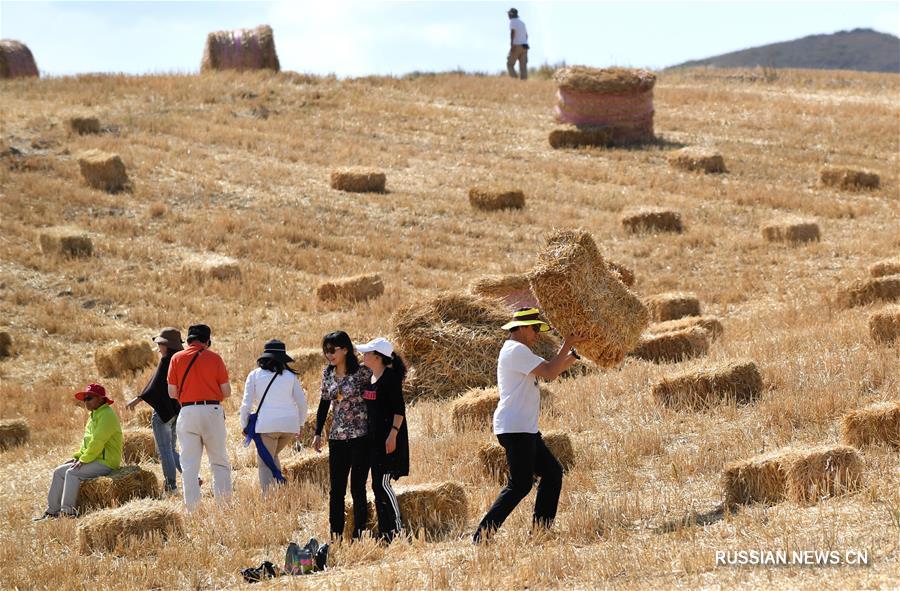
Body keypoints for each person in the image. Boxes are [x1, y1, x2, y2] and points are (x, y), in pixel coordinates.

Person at [473, 308, 586, 543]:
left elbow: (552, 372)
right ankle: (482, 535)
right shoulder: (516, 350)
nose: (537, 333)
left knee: (552, 473)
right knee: (520, 484)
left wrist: (572, 356)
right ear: (523, 327)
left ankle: (541, 531)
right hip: (516, 429)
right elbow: (549, 371)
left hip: (524, 429)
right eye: (535, 328)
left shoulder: (518, 351)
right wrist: (567, 343)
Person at [312, 331, 373, 540]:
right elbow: (324, 403)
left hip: (360, 436)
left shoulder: (363, 373)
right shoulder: (327, 374)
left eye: (332, 350)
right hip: (337, 437)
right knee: (336, 490)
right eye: (325, 351)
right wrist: (317, 432)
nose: (329, 355)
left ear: (345, 349)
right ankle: (335, 535)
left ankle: (359, 533)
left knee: (358, 487)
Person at [167, 323, 232, 511]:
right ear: (207, 341)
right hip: (212, 411)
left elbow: (172, 392)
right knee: (219, 461)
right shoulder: (215, 358)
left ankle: (193, 510)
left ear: (188, 340)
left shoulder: (176, 358)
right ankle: (224, 508)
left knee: (189, 465)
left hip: (187, 412)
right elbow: (226, 391)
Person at [34, 383, 122, 520]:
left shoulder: (107, 416)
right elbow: (86, 442)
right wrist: (78, 457)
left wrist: (84, 460)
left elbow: (97, 442)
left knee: (72, 473)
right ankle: (52, 512)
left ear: (100, 399)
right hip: (94, 459)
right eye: (85, 399)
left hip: (106, 461)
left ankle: (67, 513)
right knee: (58, 472)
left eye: (89, 398)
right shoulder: (93, 416)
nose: (85, 401)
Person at [239, 340, 308, 493]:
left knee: (264, 463)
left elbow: (246, 404)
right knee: (272, 456)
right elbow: (302, 404)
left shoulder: (254, 375)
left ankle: (269, 498)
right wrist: (300, 424)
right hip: (289, 427)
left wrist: (244, 425)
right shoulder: (290, 376)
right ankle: (280, 492)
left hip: (267, 426)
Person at [357, 337, 408, 543]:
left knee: (383, 483)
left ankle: (397, 529)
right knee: (377, 486)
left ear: (377, 357)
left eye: (367, 353)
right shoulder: (371, 378)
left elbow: (399, 410)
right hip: (374, 439)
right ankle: (386, 532)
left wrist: (393, 435)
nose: (364, 356)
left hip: (389, 438)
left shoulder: (390, 379)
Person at [125, 327, 183, 494]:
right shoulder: (179, 360)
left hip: (163, 414)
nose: (158, 347)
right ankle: (191, 477)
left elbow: (154, 386)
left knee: (164, 451)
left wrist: (137, 400)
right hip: (176, 411)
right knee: (172, 450)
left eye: (160, 344)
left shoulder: (166, 361)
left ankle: (171, 486)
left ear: (167, 345)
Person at [507, 7, 529, 80]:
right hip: (525, 46)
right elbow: (526, 35)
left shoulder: (512, 21)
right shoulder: (522, 23)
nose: (508, 15)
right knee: (523, 67)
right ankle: (524, 83)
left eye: (508, 14)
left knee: (509, 64)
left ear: (511, 14)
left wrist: (512, 45)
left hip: (516, 45)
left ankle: (515, 80)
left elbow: (513, 33)